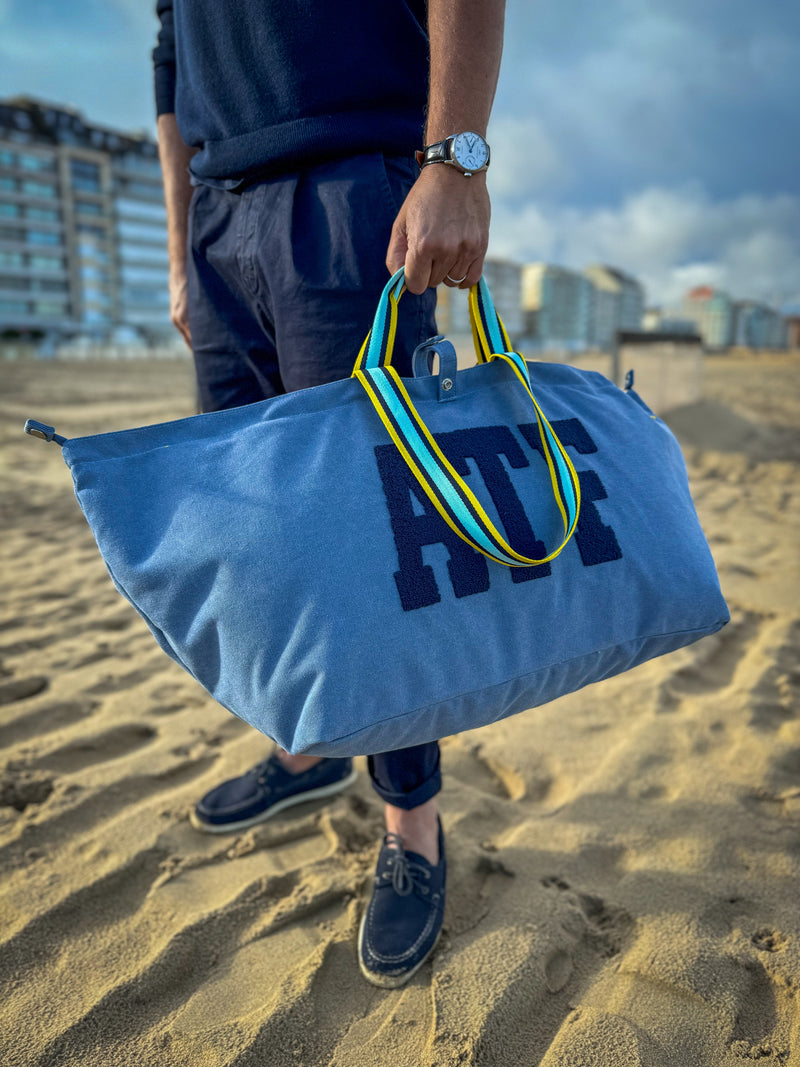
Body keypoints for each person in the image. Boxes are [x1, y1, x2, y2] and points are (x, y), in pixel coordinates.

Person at [153, 0, 505, 987]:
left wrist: (457, 159)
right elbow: (171, 53)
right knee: (258, 535)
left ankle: (411, 819)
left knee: (373, 540)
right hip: (217, 218)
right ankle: (304, 748)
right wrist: (183, 245)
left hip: (355, 190)